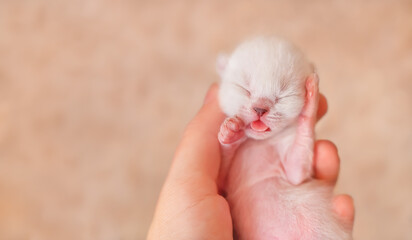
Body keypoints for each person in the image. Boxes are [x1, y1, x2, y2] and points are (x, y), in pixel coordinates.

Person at [147, 84, 354, 239]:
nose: (261, 109)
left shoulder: (284, 137)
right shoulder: (232, 131)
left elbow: (297, 173)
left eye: (282, 94)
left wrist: (305, 120)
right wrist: (229, 143)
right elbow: (222, 180)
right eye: (247, 90)